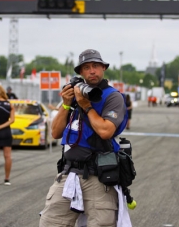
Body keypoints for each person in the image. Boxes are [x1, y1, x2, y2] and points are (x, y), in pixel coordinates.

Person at [39, 49, 127, 227]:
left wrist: (86, 106)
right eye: (86, 67)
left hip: (99, 177)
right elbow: (55, 133)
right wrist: (66, 104)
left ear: (103, 68)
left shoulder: (113, 97)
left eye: (95, 66)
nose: (92, 71)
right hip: (68, 173)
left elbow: (105, 131)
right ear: (80, 72)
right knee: (49, 223)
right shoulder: (74, 94)